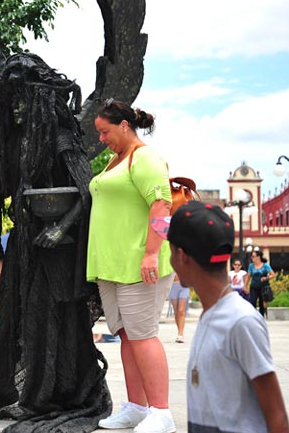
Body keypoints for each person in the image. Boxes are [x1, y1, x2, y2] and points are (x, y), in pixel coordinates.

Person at [0, 53, 111, 433]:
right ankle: (25, 394)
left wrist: (61, 228)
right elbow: (5, 188)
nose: (17, 108)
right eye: (12, 101)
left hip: (55, 248)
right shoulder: (19, 141)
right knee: (19, 316)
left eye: (23, 99)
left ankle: (45, 397)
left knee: (47, 318)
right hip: (24, 244)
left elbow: (85, 193)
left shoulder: (59, 138)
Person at [87, 98, 177, 433]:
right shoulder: (115, 161)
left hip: (140, 264)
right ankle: (138, 407)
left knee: (143, 336)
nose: (102, 139)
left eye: (105, 131)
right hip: (112, 265)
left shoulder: (145, 157)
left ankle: (161, 412)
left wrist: (151, 253)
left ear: (124, 126)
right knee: (127, 336)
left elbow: (162, 205)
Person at [167, 201, 289, 433]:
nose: (170, 262)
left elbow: (277, 417)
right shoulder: (211, 314)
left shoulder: (241, 322)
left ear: (182, 256)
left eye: (170, 252)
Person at [248, 250, 275, 318]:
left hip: (263, 287)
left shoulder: (265, 265)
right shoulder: (251, 266)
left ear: (258, 257)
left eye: (253, 256)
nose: (252, 258)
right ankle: (253, 317)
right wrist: (245, 285)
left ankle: (261, 318)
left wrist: (266, 278)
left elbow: (273, 275)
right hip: (253, 286)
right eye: (252, 256)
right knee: (252, 302)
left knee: (261, 303)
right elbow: (248, 276)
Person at [169, 274, 190, 343]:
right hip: (173, 286)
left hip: (184, 286)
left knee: (181, 310)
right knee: (176, 312)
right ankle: (179, 331)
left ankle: (180, 334)